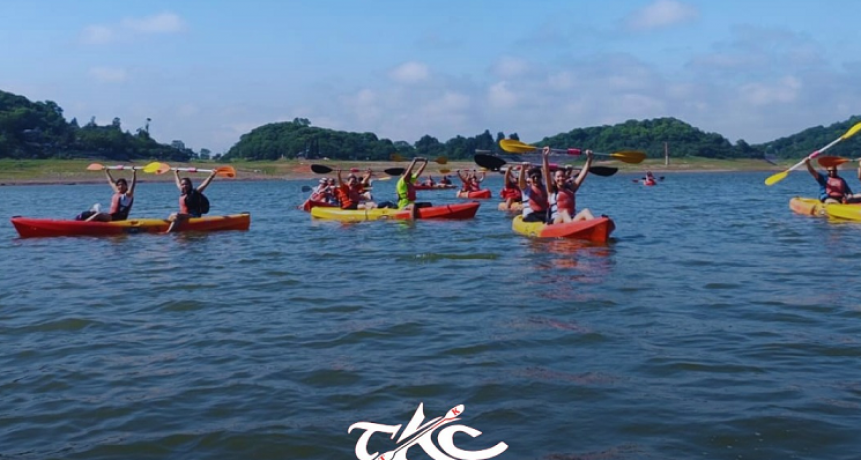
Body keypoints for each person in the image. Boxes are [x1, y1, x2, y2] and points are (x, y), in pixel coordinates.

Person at [543, 146, 594, 223]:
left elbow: (583, 174)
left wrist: (589, 159)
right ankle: (573, 227)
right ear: (554, 179)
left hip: (571, 220)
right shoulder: (551, 190)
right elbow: (546, 172)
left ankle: (595, 226)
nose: (561, 178)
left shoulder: (571, 189)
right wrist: (545, 157)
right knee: (564, 213)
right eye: (558, 177)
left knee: (586, 211)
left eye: (562, 176)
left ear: (565, 177)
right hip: (556, 221)